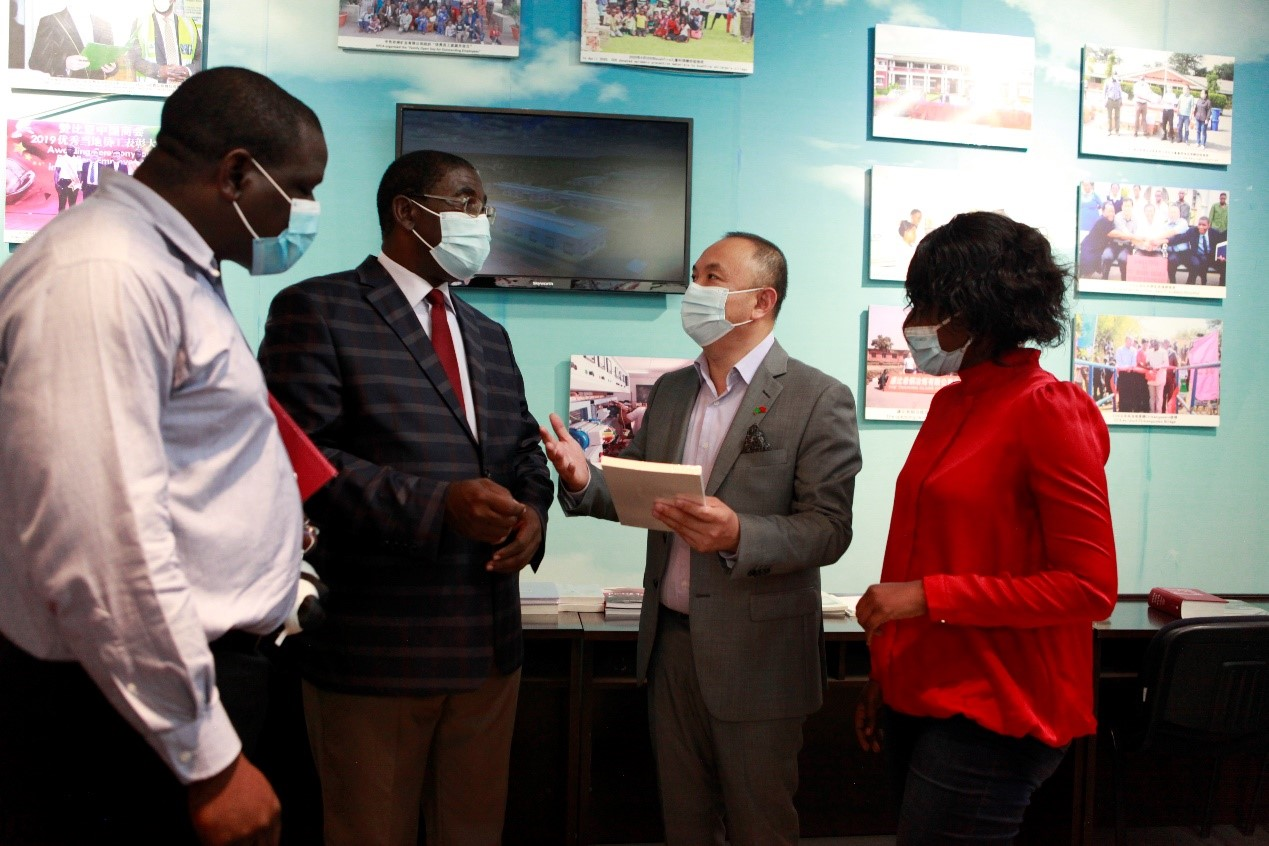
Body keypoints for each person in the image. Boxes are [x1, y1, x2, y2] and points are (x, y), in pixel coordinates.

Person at [0, 66, 327, 846]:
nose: (305, 213)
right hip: (126, 712)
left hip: (183, 685)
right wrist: (209, 761)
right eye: (299, 188)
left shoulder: (166, 268)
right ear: (236, 174)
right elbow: (99, 536)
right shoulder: (105, 274)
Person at [258, 150, 551, 846]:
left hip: (489, 649)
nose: (481, 218)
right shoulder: (318, 309)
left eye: (483, 205)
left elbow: (522, 452)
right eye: (466, 201)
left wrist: (534, 515)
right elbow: (299, 461)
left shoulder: (488, 335)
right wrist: (436, 504)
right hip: (378, 648)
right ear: (407, 212)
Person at [541, 232, 862, 846]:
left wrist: (741, 533)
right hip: (670, 648)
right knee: (684, 824)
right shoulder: (671, 392)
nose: (695, 289)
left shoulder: (817, 397)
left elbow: (829, 528)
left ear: (761, 300)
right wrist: (584, 480)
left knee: (760, 828)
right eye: (695, 274)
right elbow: (639, 494)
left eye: (713, 277)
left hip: (760, 660)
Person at [854, 211, 1117, 845]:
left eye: (926, 304)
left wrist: (928, 597)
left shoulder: (1047, 408)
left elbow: (1089, 588)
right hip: (922, 688)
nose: (913, 322)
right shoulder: (951, 402)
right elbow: (922, 550)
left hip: (998, 703)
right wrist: (885, 673)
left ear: (974, 309)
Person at [25, 0, 118, 79]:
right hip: (65, 90)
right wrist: (65, 62)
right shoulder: (50, 21)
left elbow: (112, 60)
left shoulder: (104, 25)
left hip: (96, 91)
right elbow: (35, 62)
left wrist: (112, 68)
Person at [128, 0, 203, 84]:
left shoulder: (189, 24)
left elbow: (202, 57)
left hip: (184, 88)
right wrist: (159, 71)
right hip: (151, 89)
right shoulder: (140, 24)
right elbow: (134, 59)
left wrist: (188, 70)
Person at [1167, 215, 1226, 286]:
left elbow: (1222, 244)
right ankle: (1190, 285)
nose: (1201, 227)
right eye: (1199, 224)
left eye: (1204, 225)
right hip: (1197, 255)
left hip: (1211, 256)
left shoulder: (1214, 233)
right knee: (1195, 263)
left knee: (1224, 266)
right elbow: (1181, 238)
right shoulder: (1193, 231)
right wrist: (1165, 241)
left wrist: (1222, 255)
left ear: (1209, 226)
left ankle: (1221, 288)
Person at [52, 143, 82, 210]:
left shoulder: (78, 160)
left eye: (71, 149)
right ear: (66, 149)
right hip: (63, 182)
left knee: (72, 204)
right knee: (62, 203)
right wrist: (56, 183)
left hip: (74, 183)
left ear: (74, 150)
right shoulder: (61, 159)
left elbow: (79, 173)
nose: (70, 150)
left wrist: (78, 184)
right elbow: (57, 171)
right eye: (68, 148)